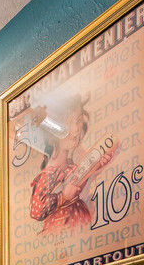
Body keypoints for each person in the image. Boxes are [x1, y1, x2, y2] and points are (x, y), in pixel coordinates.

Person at [29, 94, 115, 235]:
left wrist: (97, 166)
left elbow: (81, 180)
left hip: (79, 221)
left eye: (78, 120)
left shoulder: (69, 166)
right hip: (61, 226)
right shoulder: (48, 175)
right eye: (69, 122)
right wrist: (63, 196)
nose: (75, 129)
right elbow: (36, 211)